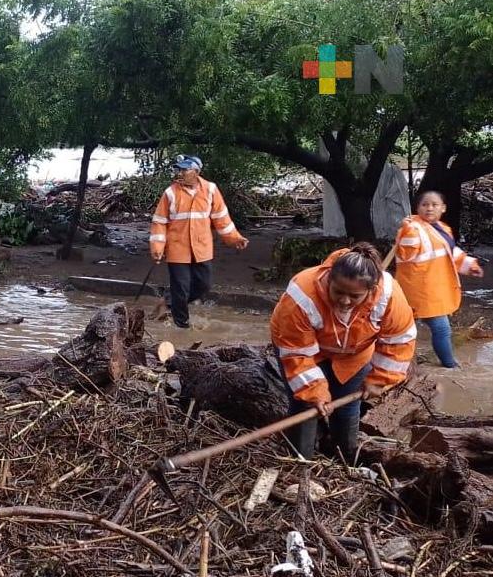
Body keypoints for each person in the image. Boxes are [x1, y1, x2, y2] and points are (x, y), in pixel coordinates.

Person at [270, 244, 417, 460]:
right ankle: (300, 461)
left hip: (354, 354)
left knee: (347, 405)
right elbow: (297, 354)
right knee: (305, 406)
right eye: (338, 292)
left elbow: (399, 341)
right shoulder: (301, 296)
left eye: (354, 296)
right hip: (303, 351)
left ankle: (345, 459)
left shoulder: (390, 297)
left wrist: (381, 379)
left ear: (371, 289)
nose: (345, 301)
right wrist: (315, 393)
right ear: (329, 279)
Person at [148, 155, 249, 328]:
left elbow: (221, 218)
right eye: (178, 169)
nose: (180, 173)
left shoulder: (210, 190)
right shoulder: (170, 193)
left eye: (184, 170)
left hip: (202, 249)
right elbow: (159, 222)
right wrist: (157, 248)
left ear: (196, 172)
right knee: (181, 289)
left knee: (204, 286)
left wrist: (235, 238)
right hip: (177, 250)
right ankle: (182, 328)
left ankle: (167, 302)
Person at [395, 190, 484, 368]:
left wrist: (469, 265)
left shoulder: (443, 228)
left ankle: (405, 364)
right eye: (424, 204)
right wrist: (406, 230)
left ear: (443, 208)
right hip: (418, 290)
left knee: (404, 329)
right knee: (439, 328)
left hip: (431, 290)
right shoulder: (412, 228)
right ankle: (449, 365)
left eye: (434, 205)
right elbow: (405, 254)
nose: (429, 208)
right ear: (417, 208)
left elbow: (450, 253)